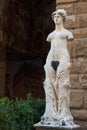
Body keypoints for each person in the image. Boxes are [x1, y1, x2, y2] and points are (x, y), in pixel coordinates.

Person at [41, 9, 74, 126]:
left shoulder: (67, 34)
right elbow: (51, 48)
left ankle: (63, 113)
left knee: (62, 84)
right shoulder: (51, 35)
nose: (56, 18)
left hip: (63, 58)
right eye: (54, 16)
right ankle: (51, 112)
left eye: (58, 16)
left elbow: (70, 48)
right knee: (49, 84)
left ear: (63, 18)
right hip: (51, 58)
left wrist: (70, 61)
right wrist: (46, 63)